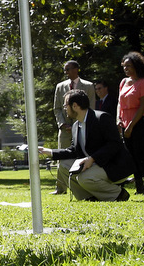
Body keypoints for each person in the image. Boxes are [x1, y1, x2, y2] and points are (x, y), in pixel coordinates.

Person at [39, 89, 134, 202]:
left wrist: (92, 159)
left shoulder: (102, 118)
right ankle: (88, 198)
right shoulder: (75, 126)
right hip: (95, 166)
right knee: (63, 166)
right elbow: (74, 151)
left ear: (75, 106)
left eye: (65, 105)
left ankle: (118, 194)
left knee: (84, 177)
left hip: (113, 166)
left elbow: (114, 145)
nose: (65, 109)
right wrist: (48, 151)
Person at [52, 60, 96, 194]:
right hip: (65, 129)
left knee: (83, 154)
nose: (66, 72)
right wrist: (62, 124)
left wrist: (81, 123)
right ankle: (60, 188)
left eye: (69, 69)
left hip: (82, 127)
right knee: (62, 157)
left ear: (76, 69)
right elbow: (57, 108)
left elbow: (91, 107)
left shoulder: (88, 86)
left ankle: (84, 184)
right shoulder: (60, 86)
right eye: (65, 70)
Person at [118, 51, 144, 196]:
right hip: (124, 121)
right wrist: (118, 119)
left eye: (129, 66)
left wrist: (131, 126)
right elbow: (119, 103)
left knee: (141, 154)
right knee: (131, 155)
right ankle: (139, 188)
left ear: (137, 66)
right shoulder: (123, 82)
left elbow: (143, 106)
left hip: (138, 121)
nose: (126, 69)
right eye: (124, 66)